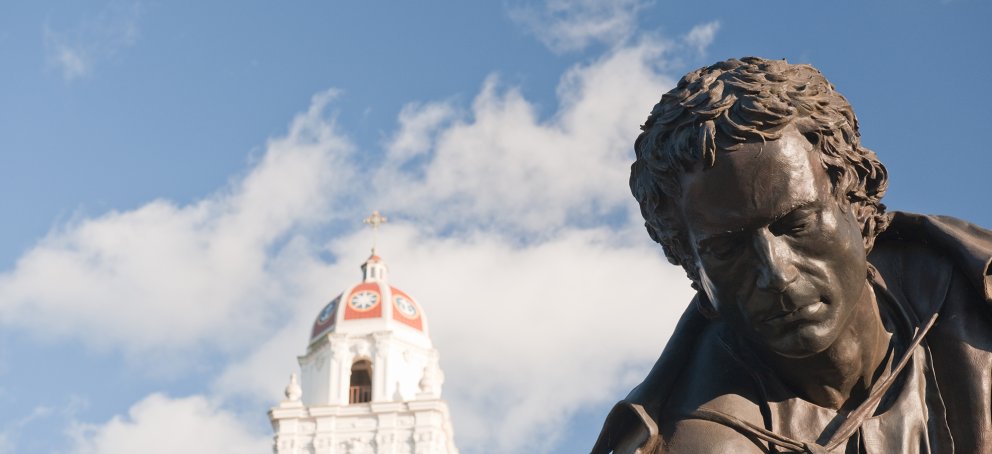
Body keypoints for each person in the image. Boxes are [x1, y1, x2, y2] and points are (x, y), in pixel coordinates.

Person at [592, 57, 992, 453]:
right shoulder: (691, 443)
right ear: (694, 270)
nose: (776, 274)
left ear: (859, 203)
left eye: (796, 224)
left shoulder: (978, 300)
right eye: (727, 248)